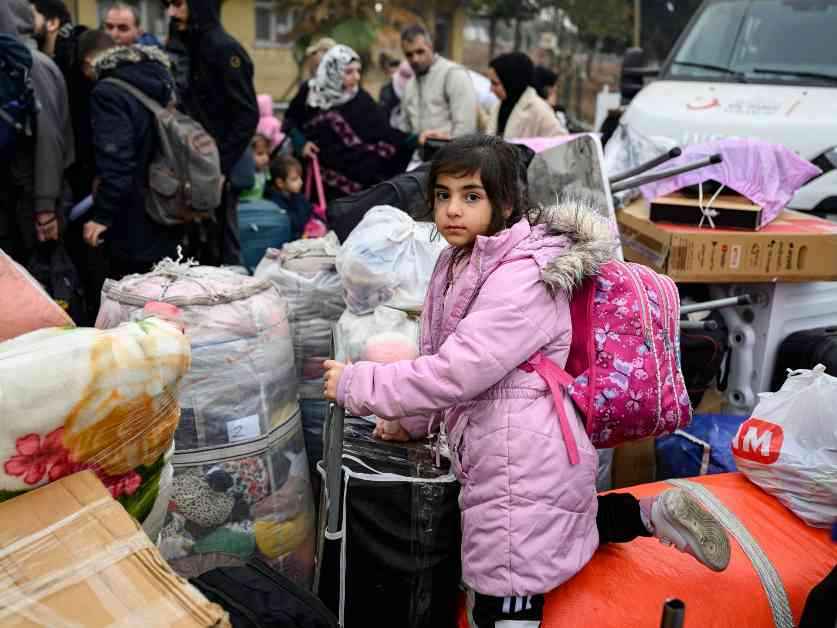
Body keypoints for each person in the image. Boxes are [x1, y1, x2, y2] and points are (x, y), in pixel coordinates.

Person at [323, 135, 731, 627]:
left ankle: (646, 520)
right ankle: (652, 515)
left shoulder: (526, 276)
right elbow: (443, 359)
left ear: (505, 203)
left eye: (471, 196)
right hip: (507, 441)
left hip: (517, 454)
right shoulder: (459, 261)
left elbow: (457, 371)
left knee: (507, 586)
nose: (453, 209)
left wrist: (358, 385)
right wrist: (410, 420)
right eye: (443, 194)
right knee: (556, 522)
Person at [81, 33, 183, 279]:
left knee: (128, 293)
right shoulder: (162, 83)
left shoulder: (108, 92)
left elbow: (117, 160)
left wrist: (102, 216)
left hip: (130, 218)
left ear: (89, 62)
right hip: (167, 204)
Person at [165, 0, 259, 266]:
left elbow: (246, 115)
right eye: (168, 4)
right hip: (187, 167)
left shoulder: (223, 49)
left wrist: (220, 168)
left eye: (178, 4)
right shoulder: (181, 46)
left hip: (216, 170)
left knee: (222, 254)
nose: (171, 12)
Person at [282, 44, 440, 200]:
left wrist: (416, 139)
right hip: (311, 178)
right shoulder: (310, 93)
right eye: (349, 72)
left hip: (349, 185)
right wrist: (301, 143)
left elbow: (386, 133)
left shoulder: (361, 100)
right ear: (332, 71)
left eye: (358, 71)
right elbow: (289, 121)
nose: (356, 77)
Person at [0, 0, 73, 265]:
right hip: (19, 194)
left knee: (43, 274)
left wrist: (45, 208)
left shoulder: (29, 65)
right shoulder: (12, 64)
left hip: (32, 196)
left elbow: (48, 138)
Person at [398, 24, 477, 139]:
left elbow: (466, 128)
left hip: (451, 149)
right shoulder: (409, 85)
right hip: (419, 150)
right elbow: (404, 128)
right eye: (409, 55)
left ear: (430, 47)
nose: (415, 59)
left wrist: (444, 140)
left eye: (420, 52)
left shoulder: (453, 74)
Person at [486, 52, 566, 139]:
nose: (491, 89)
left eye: (495, 83)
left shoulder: (539, 110)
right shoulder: (499, 106)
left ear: (510, 82)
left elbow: (561, 142)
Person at [265, 155, 312, 241]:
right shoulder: (274, 204)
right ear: (280, 183)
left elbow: (309, 212)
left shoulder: (298, 197)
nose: (301, 182)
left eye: (300, 177)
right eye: (294, 179)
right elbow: (292, 224)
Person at [239, 133, 271, 202]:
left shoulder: (265, 170)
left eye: (267, 154)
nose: (265, 158)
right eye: (260, 154)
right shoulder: (243, 172)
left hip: (258, 205)